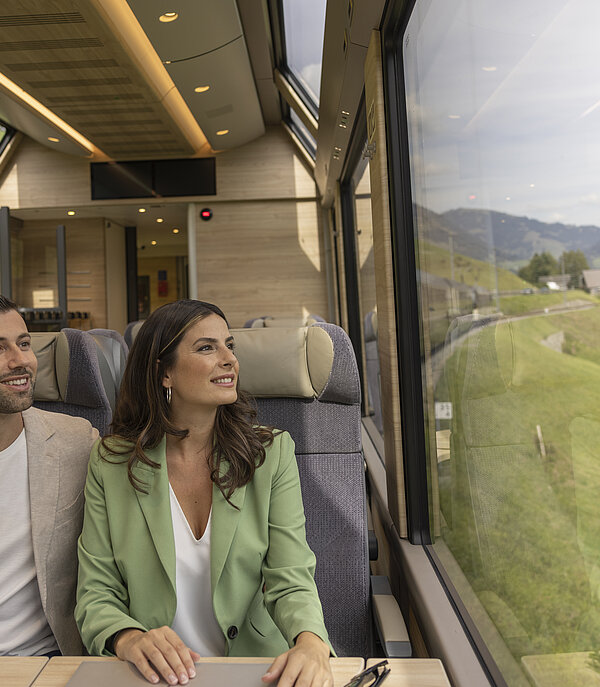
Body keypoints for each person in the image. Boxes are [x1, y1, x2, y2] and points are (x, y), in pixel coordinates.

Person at [75, 299, 334, 687]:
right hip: (153, 676)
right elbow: (96, 592)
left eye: (229, 345)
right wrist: (129, 639)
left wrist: (311, 643)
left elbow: (290, 576)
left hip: (257, 671)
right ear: (165, 374)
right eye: (207, 348)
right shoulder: (111, 463)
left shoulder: (271, 453)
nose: (229, 359)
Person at [0, 295, 98, 656]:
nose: (21, 361)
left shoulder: (78, 442)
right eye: (0, 349)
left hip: (44, 660)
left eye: (24, 344)